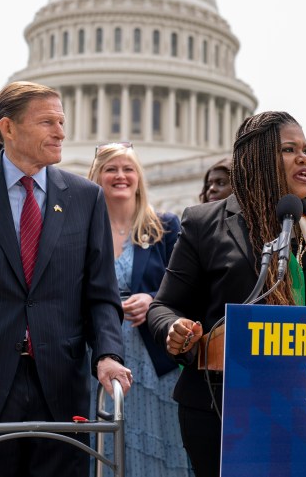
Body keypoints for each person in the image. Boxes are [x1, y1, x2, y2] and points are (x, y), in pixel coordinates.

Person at [146, 111, 306, 477]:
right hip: (223, 404)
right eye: (289, 149)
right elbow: (163, 305)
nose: (304, 158)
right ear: (256, 157)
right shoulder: (205, 222)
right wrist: (175, 328)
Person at [0, 81, 132, 477]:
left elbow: (101, 293)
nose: (61, 132)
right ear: (8, 128)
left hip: (60, 385)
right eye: (47, 122)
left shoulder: (84, 196)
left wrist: (108, 353)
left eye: (61, 121)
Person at [88, 143, 189, 476]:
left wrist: (153, 299)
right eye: (111, 169)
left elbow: (187, 286)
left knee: (157, 439)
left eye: (128, 169)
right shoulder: (83, 229)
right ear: (97, 176)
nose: (121, 176)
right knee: (101, 442)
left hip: (153, 359)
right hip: (98, 353)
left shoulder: (165, 227)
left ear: (138, 177)